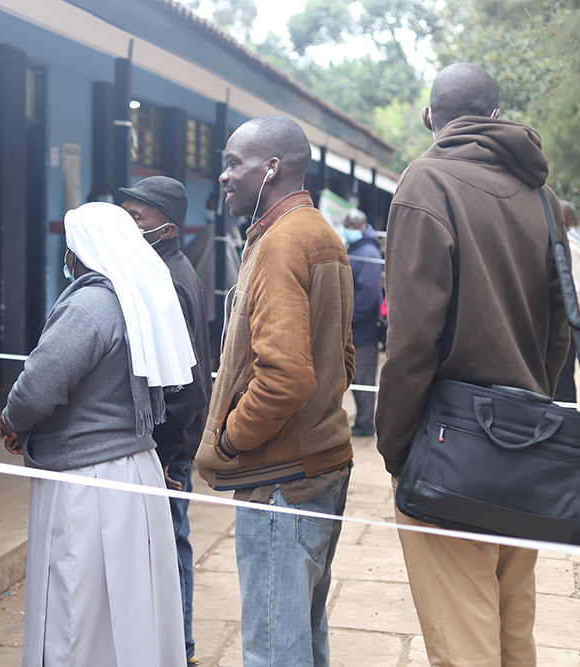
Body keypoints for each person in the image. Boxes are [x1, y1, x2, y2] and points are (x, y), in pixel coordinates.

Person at [375, 63, 569, 666]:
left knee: (463, 646)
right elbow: (560, 333)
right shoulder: (543, 197)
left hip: (450, 448)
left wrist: (394, 446)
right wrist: (533, 403)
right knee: (513, 634)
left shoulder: (427, 182)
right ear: (496, 114)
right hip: (526, 445)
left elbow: (411, 342)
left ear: (431, 117)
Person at [1, 202, 195, 667]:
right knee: (128, 605)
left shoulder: (92, 303)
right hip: (134, 466)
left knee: (78, 607)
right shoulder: (137, 297)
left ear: (81, 250)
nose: (66, 258)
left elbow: (39, 384)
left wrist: (12, 421)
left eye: (70, 249)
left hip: (88, 476)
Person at [194, 115, 355, 667]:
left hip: (281, 483)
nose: (223, 175)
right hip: (318, 467)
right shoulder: (319, 232)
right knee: (303, 640)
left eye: (233, 162)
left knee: (272, 651)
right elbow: (343, 359)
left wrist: (231, 441)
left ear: (271, 168)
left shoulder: (284, 242)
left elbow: (287, 377)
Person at [119, 175, 212, 666]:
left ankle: (183, 649)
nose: (129, 224)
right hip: (170, 445)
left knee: (171, 547)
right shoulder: (167, 270)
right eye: (126, 213)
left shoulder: (169, 280)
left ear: (168, 226)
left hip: (168, 450)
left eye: (139, 217)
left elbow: (189, 386)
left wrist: (166, 455)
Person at [342, 208, 383, 437]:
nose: (348, 229)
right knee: (357, 377)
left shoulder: (368, 252)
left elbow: (369, 297)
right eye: (345, 224)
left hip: (362, 331)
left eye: (351, 225)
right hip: (354, 328)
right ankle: (363, 420)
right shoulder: (358, 248)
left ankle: (366, 423)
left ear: (362, 227)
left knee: (363, 379)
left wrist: (349, 318)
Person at [182, 189, 241, 325]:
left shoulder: (211, 231)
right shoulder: (232, 229)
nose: (207, 210)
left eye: (209, 207)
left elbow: (189, 254)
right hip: (229, 295)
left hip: (211, 296)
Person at [554, 200, 580, 403]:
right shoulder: (560, 241)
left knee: (562, 380)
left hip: (564, 325)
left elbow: (577, 290)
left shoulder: (570, 247)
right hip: (561, 323)